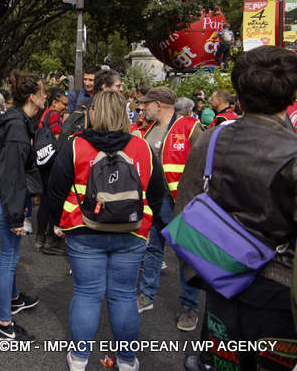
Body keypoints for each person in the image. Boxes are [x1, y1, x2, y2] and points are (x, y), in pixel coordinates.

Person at [177, 46, 297, 371]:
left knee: (224, 363)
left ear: (239, 95)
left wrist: (204, 273)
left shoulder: (212, 139)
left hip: (221, 278)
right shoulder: (292, 151)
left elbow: (184, 212)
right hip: (279, 290)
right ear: (291, 94)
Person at [45, 90, 166, 371]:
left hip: (84, 229)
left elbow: (54, 190)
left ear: (93, 113)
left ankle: (79, 358)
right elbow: (157, 194)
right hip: (132, 231)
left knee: (87, 293)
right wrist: (149, 223)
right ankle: (126, 360)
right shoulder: (142, 147)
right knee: (124, 295)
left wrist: (58, 224)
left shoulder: (76, 146)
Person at [135, 86, 203, 333]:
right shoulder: (149, 130)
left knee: (187, 255)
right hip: (154, 202)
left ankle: (189, 306)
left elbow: (206, 159)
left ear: (159, 105)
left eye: (146, 104)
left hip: (182, 203)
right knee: (152, 249)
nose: (142, 108)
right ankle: (146, 295)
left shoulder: (189, 126)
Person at [0, 70, 44, 342]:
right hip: (5, 197)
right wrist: (14, 217)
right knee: (9, 260)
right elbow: (12, 175)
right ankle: (4, 324)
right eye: (43, 92)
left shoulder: (17, 122)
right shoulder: (18, 127)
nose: (47, 96)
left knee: (10, 259)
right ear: (32, 97)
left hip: (4, 196)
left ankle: (13, 299)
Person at [34, 88, 67, 254]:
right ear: (55, 102)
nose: (66, 107)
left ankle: (40, 237)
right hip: (51, 163)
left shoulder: (45, 113)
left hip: (42, 162)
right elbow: (58, 137)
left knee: (45, 200)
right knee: (50, 201)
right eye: (64, 104)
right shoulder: (53, 114)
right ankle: (48, 239)